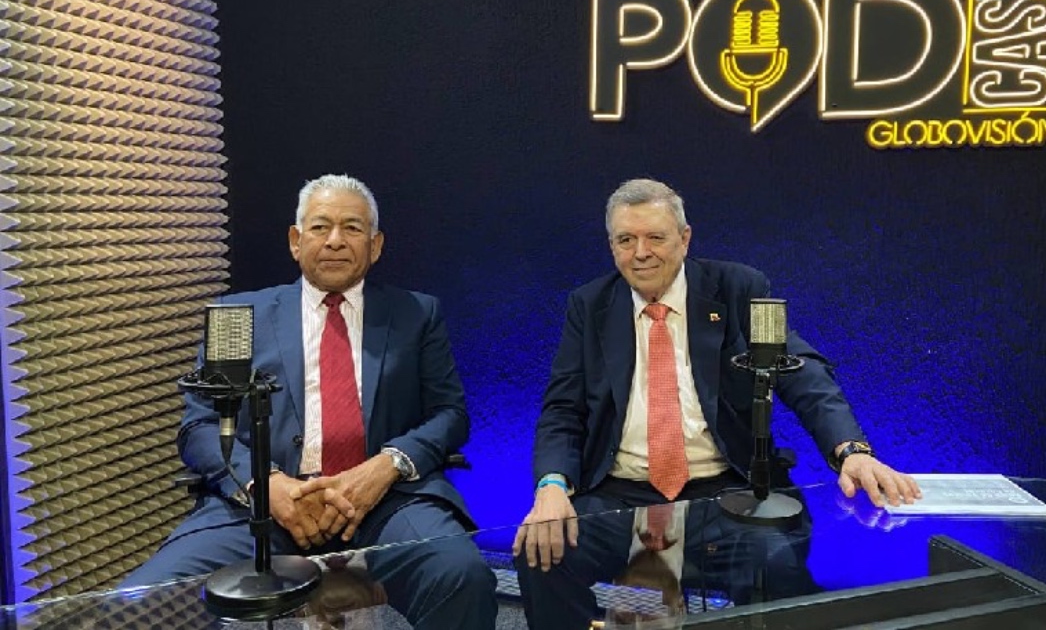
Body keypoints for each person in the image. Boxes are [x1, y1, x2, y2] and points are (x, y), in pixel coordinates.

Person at [513, 178, 920, 629]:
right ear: (612, 247)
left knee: (776, 563)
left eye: (655, 237)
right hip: (618, 493)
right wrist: (551, 485)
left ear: (684, 239)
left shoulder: (738, 288)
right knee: (539, 552)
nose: (640, 252)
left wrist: (850, 451)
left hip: (726, 489)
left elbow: (802, 373)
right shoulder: (590, 305)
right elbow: (563, 409)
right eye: (626, 240)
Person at [122, 174, 497, 629]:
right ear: (295, 241)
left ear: (376, 245)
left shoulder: (417, 314)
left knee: (461, 577)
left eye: (352, 228)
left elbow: (449, 414)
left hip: (386, 502)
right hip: (263, 507)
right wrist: (266, 485)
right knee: (142, 605)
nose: (335, 240)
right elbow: (200, 427)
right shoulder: (238, 315)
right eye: (320, 227)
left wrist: (387, 465)